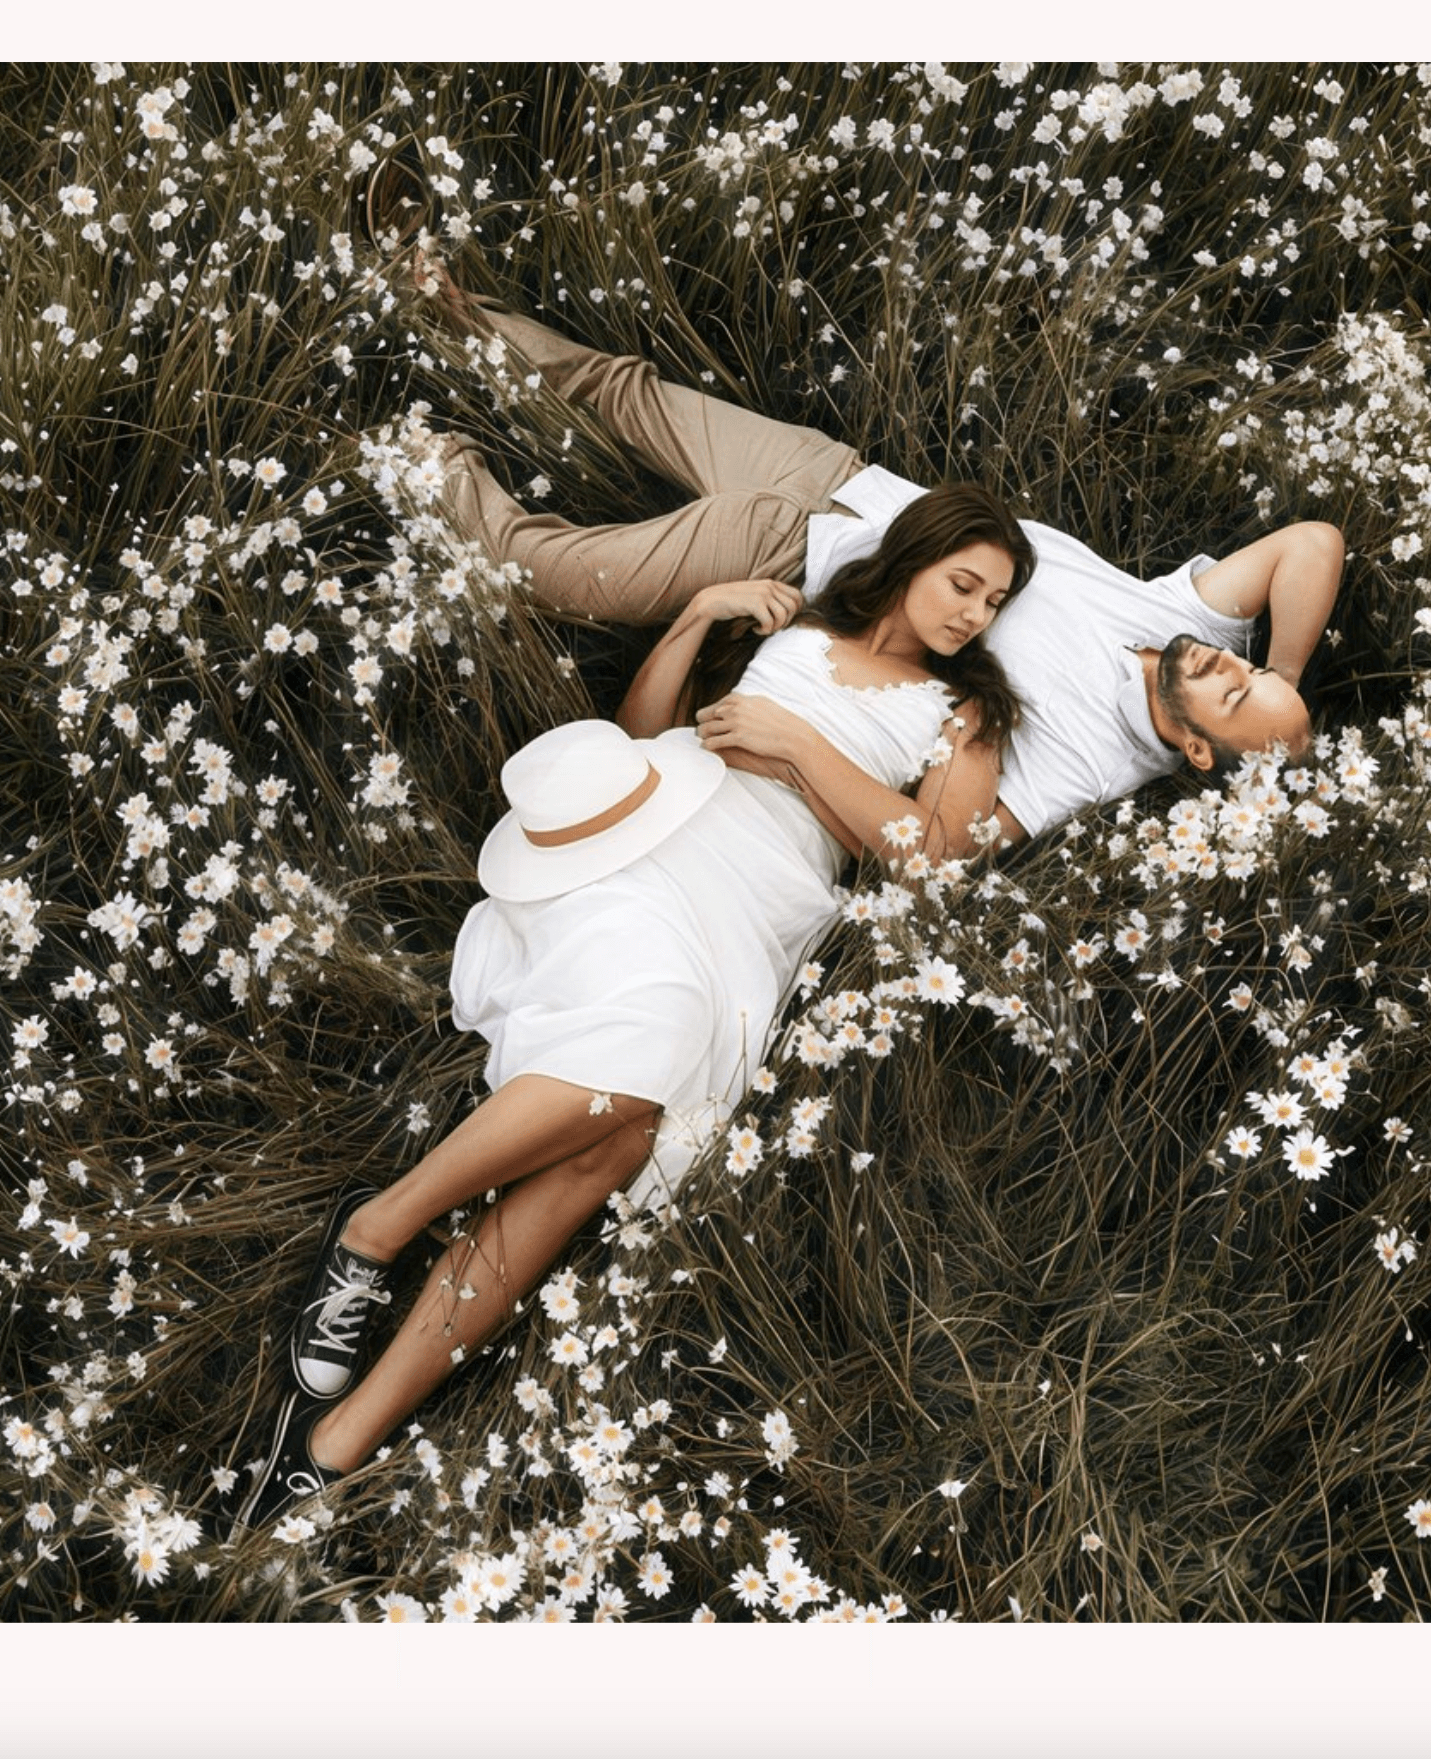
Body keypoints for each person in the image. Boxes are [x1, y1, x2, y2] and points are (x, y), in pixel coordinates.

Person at [239, 484, 1039, 1527]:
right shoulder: (799, 622)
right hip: (653, 852)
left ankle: (347, 1395)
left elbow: (928, 858)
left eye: (995, 601)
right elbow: (640, 736)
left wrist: (796, 747)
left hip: (762, 906)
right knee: (647, 1061)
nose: (974, 613)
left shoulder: (964, 710)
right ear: (911, 558)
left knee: (610, 1144)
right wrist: (699, 617)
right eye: (962, 583)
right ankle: (371, 1287)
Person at [403, 248, 1346, 847]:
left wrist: (818, 753)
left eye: (1233, 693)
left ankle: (421, 455)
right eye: (1249, 668)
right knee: (625, 392)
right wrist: (1288, 678)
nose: (1231, 663)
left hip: (784, 558)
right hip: (840, 478)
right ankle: (442, 305)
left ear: (1194, 748)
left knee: (548, 574)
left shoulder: (1090, 764)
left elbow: (941, 850)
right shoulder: (1182, 625)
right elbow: (1312, 541)